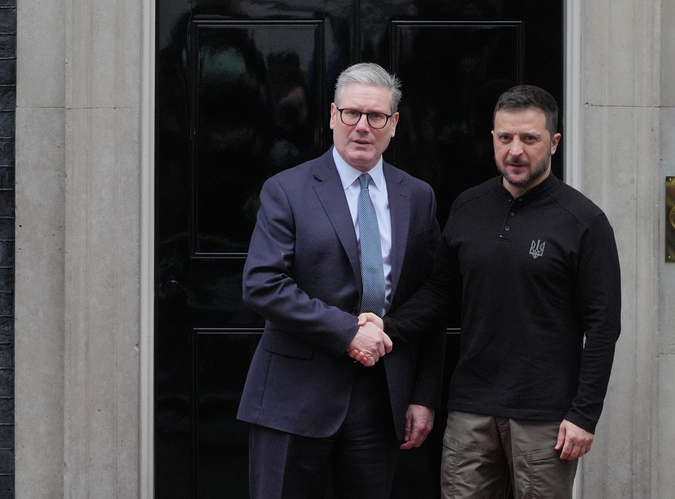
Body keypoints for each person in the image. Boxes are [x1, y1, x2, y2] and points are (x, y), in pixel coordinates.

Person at [354, 85, 622, 499]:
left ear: (553, 143)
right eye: (505, 138)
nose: (515, 151)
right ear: (493, 138)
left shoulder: (584, 222)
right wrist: (388, 327)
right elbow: (441, 294)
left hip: (544, 416)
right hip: (470, 409)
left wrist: (584, 414)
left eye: (529, 139)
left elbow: (603, 326)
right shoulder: (468, 207)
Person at [237, 63, 444, 499]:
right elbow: (262, 282)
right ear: (332, 115)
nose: (362, 127)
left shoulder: (418, 196)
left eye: (376, 117)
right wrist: (348, 332)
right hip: (292, 400)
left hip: (381, 401)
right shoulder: (287, 189)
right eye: (352, 114)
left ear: (394, 125)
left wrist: (424, 395)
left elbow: (430, 298)